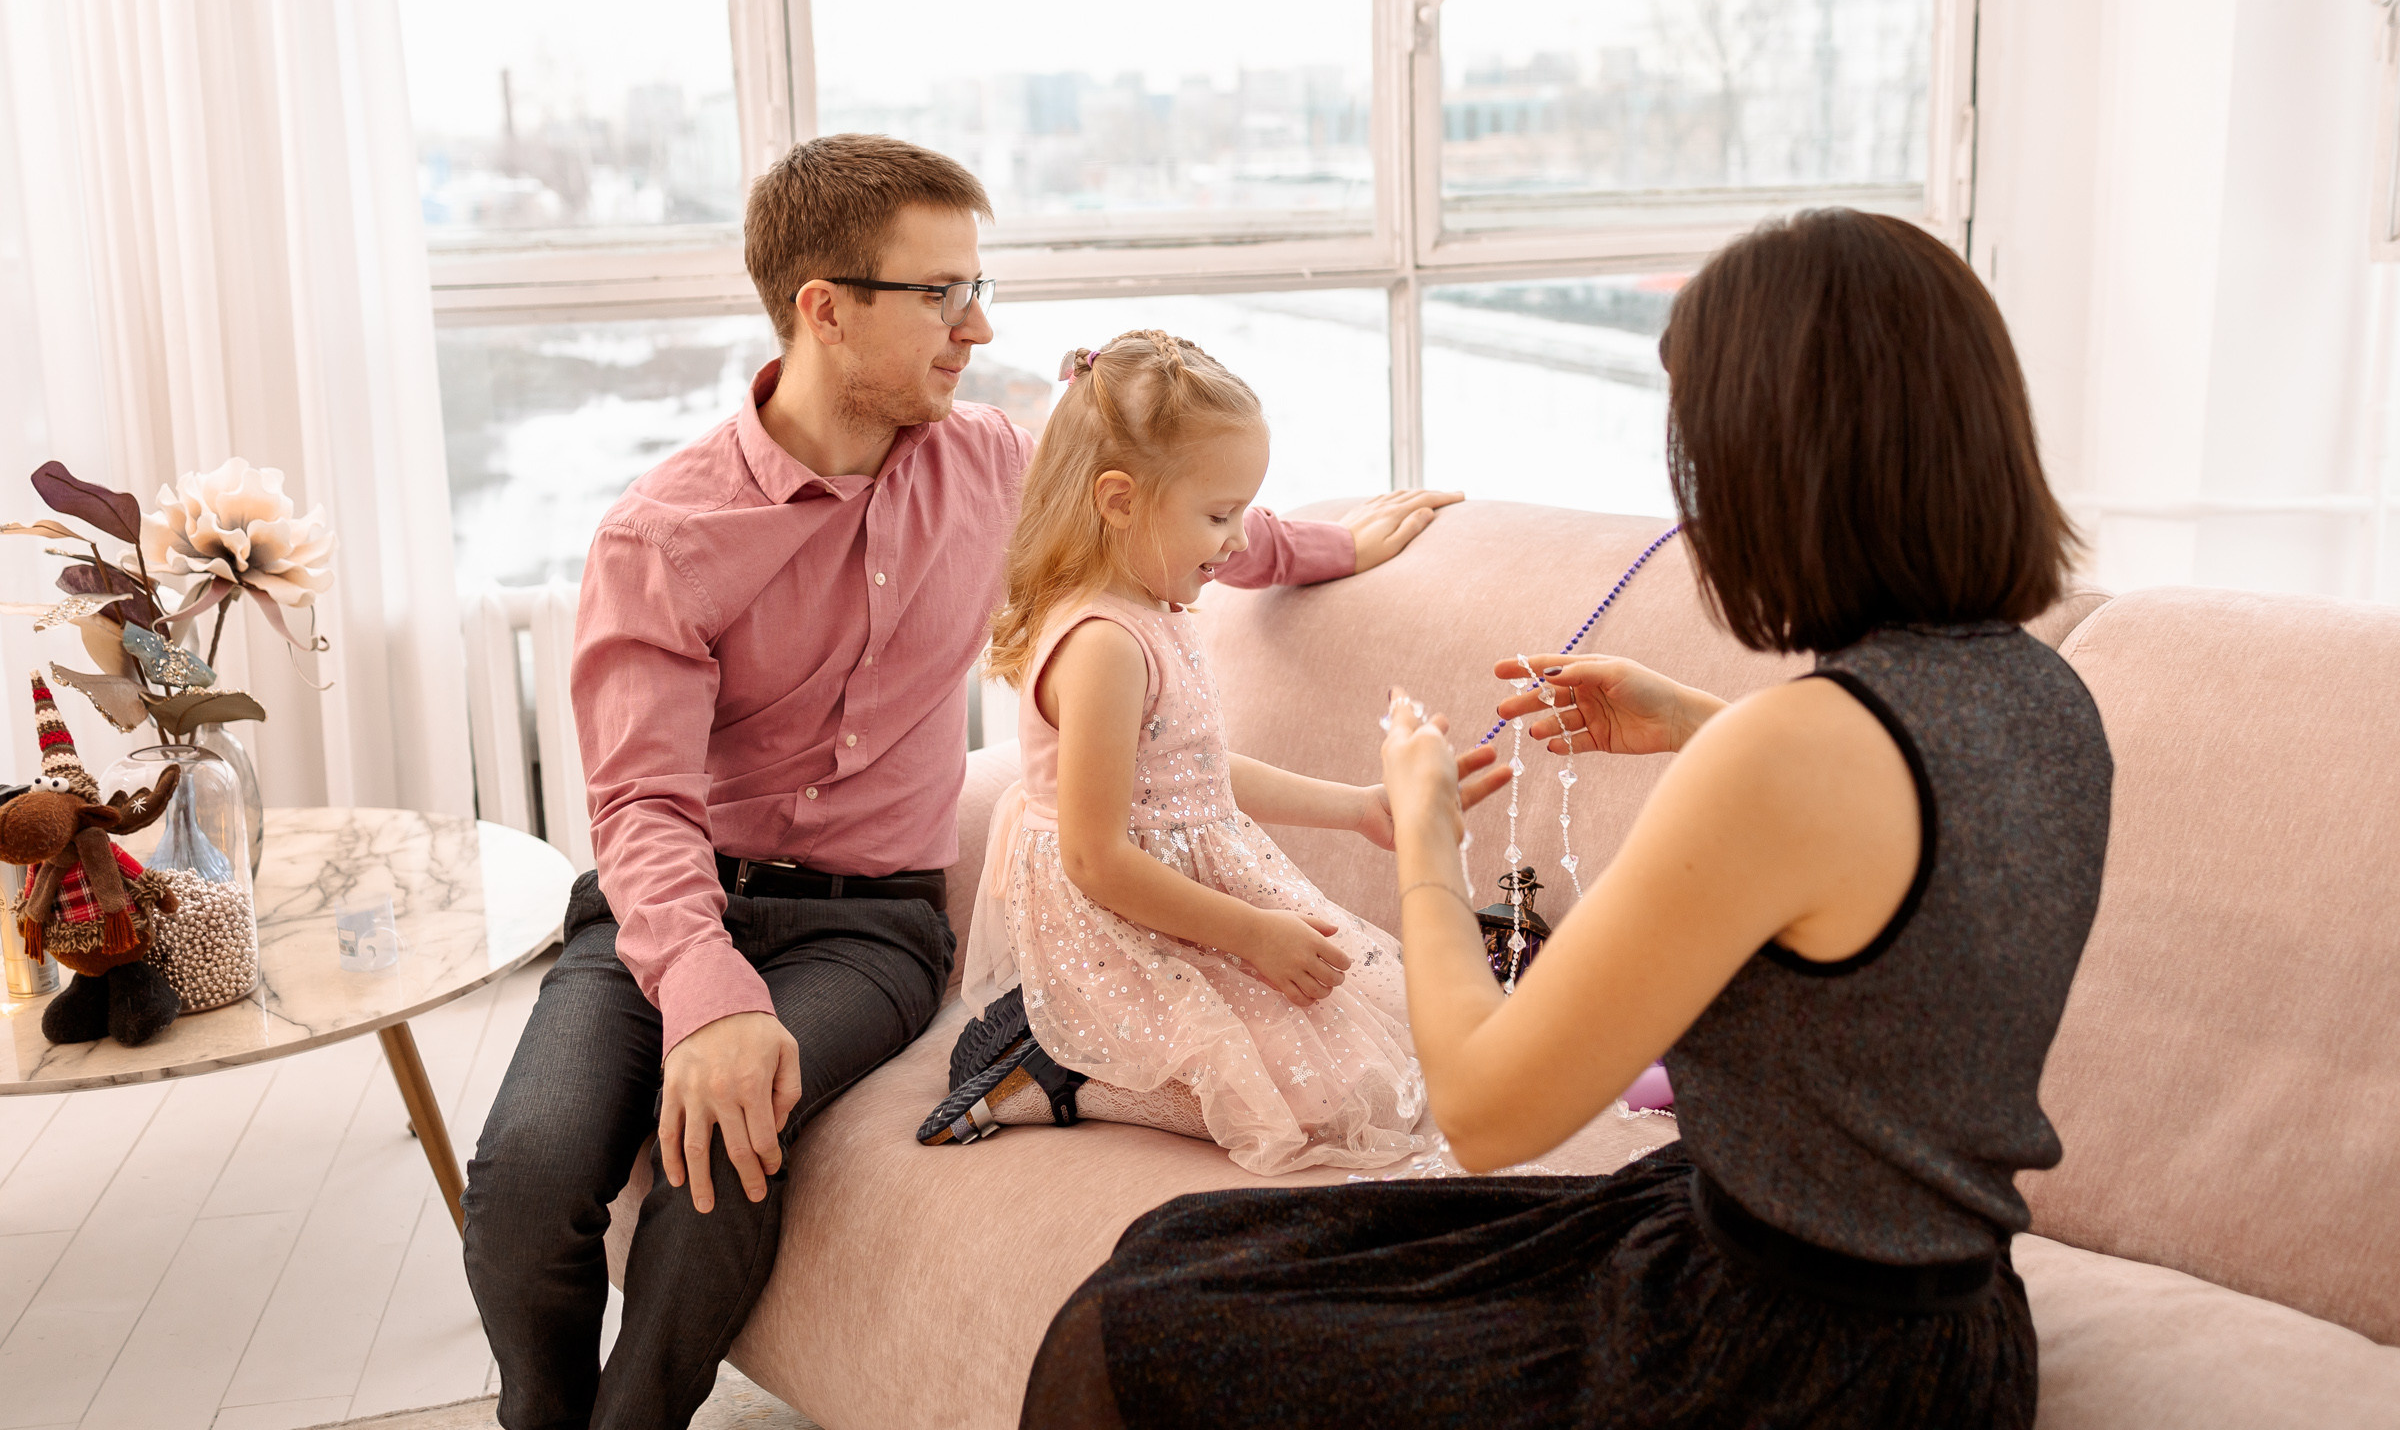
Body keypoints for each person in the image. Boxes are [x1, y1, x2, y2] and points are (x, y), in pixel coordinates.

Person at [1021, 208, 2109, 1430]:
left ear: (1781, 477)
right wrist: (1701, 718)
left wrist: (1423, 836)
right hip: (1942, 1330)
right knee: (1187, 1248)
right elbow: (1906, 851)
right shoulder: (2045, 698)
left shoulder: (1790, 753)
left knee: (1134, 1323)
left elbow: (1486, 1109)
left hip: (1769, 1353)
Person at [457, 133, 1460, 1430]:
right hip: (663, 914)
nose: (977, 327)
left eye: (975, 288)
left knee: (724, 1160)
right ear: (824, 309)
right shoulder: (665, 534)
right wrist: (705, 1001)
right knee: (528, 1174)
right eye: (940, 294)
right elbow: (644, 807)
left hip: (863, 931)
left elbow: (1173, 516)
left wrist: (1337, 538)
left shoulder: (990, 467)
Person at [947, 329, 1432, 1175]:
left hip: (1182, 900)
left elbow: (1196, 775)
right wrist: (1254, 936)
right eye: (1217, 514)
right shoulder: (1102, 643)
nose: (1241, 540)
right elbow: (1096, 861)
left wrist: (1354, 808)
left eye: (1242, 510)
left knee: (1386, 1054)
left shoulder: (1155, 611)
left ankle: (1072, 1050)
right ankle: (1056, 1070)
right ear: (1119, 500)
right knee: (1321, 1106)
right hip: (1116, 920)